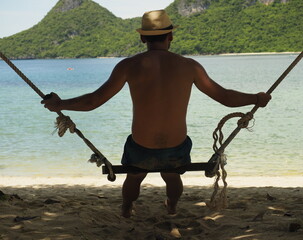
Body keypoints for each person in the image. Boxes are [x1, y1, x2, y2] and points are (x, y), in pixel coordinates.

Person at [41, 10, 271, 218]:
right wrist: (255, 98)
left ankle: (126, 207)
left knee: (134, 176)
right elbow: (225, 97)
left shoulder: (128, 65)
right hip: (176, 146)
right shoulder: (190, 66)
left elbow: (94, 101)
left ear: (142, 38)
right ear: (170, 36)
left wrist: (60, 104)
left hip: (141, 147)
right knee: (172, 176)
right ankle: (171, 206)